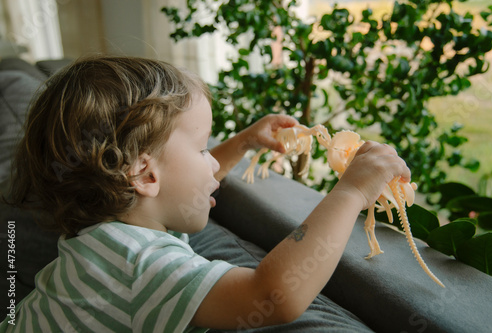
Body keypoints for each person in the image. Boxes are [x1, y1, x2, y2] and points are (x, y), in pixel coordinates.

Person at [0, 56, 410, 332]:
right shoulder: (138, 266)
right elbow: (271, 296)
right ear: (143, 175)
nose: (210, 163)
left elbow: (173, 183)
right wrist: (352, 189)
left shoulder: (105, 226)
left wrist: (242, 144)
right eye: (200, 149)